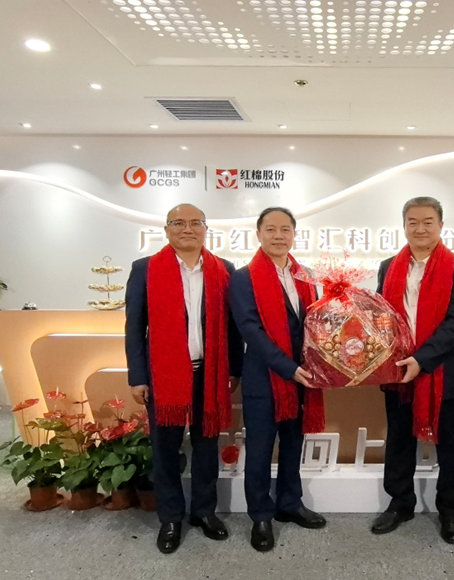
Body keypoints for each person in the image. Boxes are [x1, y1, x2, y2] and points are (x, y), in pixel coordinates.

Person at [125, 203, 243, 555]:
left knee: (207, 447)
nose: (187, 229)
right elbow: (135, 327)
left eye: (195, 223)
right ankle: (171, 518)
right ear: (166, 230)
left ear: (206, 229)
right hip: (164, 376)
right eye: (178, 222)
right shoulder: (145, 269)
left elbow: (232, 327)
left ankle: (204, 512)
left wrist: (233, 368)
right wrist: (138, 376)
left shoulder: (223, 270)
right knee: (165, 450)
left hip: (210, 373)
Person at [371, 196, 454, 544]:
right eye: (413, 222)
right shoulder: (389, 267)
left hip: (446, 371)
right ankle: (400, 504)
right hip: (399, 371)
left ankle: (449, 510)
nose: (420, 228)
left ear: (441, 226)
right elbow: (381, 316)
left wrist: (422, 359)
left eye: (428, 222)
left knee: (451, 445)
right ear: (404, 226)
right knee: (399, 441)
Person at [229, 207, 327, 553]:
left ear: (294, 235)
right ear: (258, 235)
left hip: (302, 379)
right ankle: (260, 515)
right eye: (270, 229)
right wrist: (288, 368)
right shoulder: (243, 278)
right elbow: (251, 331)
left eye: (285, 229)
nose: (278, 235)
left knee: (292, 445)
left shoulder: (306, 276)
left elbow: (315, 324)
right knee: (259, 450)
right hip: (264, 379)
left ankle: (290, 503)